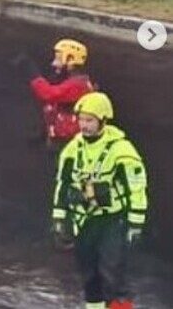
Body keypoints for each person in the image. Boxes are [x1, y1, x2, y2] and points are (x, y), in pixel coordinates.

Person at [51, 92, 148, 309]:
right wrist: (59, 220)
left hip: (112, 221)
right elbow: (63, 184)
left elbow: (137, 187)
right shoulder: (72, 150)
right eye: (81, 119)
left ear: (103, 120)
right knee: (89, 278)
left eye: (89, 120)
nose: (83, 125)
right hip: (84, 221)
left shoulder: (121, 150)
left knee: (113, 276)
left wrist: (135, 223)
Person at [15, 39, 96, 143]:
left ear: (71, 59)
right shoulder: (77, 81)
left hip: (68, 140)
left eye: (59, 58)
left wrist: (31, 71)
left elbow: (48, 94)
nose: (54, 64)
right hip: (64, 138)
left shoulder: (78, 84)